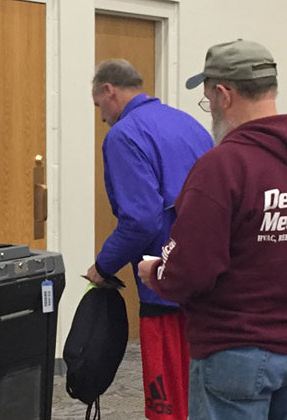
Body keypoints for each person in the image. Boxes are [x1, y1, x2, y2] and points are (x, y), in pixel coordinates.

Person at [138, 39, 287, 420]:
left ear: (224, 94)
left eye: (208, 97)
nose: (209, 107)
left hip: (235, 350)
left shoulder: (223, 165)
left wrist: (158, 274)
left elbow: (192, 269)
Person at [86, 59, 213, 420]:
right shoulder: (189, 124)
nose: (101, 118)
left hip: (162, 284)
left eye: (98, 105)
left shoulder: (125, 134)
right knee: (202, 392)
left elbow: (140, 220)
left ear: (109, 90)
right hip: (206, 279)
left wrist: (103, 265)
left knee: (168, 401)